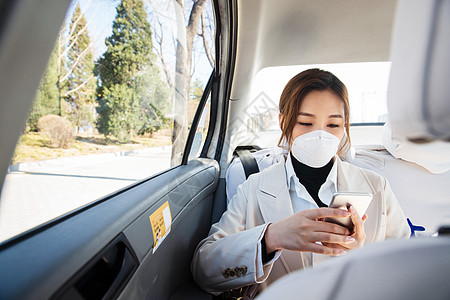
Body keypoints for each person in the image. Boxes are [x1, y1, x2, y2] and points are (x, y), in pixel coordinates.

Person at [191, 69, 410, 296]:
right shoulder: (253, 188)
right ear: (283, 121)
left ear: (345, 127)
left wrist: (361, 256)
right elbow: (204, 269)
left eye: (333, 125)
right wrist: (271, 238)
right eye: (305, 122)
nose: (320, 135)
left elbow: (408, 267)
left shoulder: (376, 186)